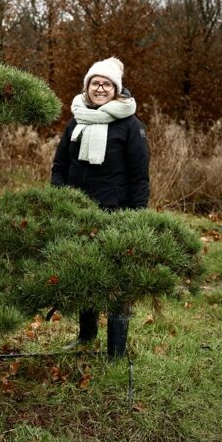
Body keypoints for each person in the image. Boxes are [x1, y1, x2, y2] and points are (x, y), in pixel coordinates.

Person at [51, 56, 149, 358]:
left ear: (116, 89)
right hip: (79, 211)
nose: (101, 88)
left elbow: (139, 175)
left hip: (115, 212)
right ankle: (86, 336)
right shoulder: (76, 120)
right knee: (86, 274)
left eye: (107, 84)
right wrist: (59, 200)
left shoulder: (130, 126)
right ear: (87, 87)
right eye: (96, 83)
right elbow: (60, 165)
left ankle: (116, 352)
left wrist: (137, 216)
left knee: (118, 281)